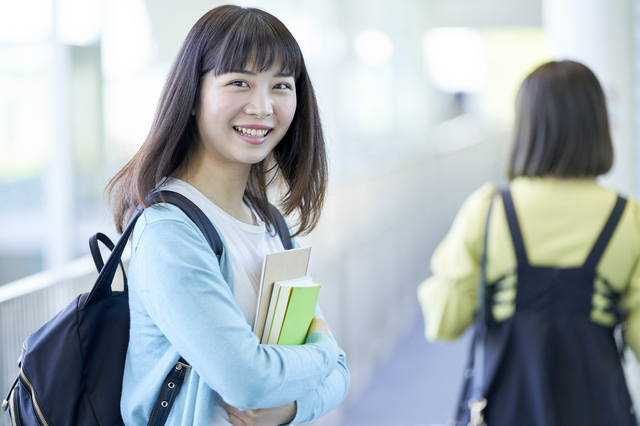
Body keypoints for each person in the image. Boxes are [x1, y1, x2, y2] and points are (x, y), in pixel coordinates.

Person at [104, 5, 349, 425]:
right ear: (193, 96)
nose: (262, 106)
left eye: (281, 85)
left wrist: (290, 409)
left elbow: (341, 377)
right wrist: (324, 351)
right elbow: (248, 381)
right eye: (239, 82)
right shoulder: (170, 231)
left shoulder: (271, 224)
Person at [417, 60, 640, 426]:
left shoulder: (487, 211)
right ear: (598, 126)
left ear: (525, 126)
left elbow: (443, 321)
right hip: (601, 409)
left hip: (507, 410)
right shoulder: (628, 217)